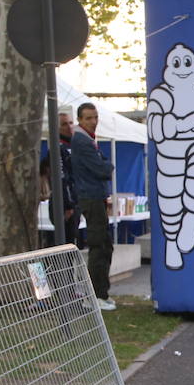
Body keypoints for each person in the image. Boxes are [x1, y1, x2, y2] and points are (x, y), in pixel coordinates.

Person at [70, 101, 116, 311]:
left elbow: (103, 164)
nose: (93, 122)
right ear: (79, 119)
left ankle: (101, 293)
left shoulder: (88, 140)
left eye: (95, 117)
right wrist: (106, 165)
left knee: (104, 244)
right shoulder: (81, 141)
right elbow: (103, 169)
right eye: (88, 118)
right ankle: (96, 295)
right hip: (91, 196)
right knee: (99, 245)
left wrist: (104, 164)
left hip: (95, 196)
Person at [54, 109, 79, 247]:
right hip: (64, 204)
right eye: (64, 124)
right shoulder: (58, 147)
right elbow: (63, 178)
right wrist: (68, 205)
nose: (69, 126)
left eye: (71, 123)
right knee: (65, 244)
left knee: (73, 240)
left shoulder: (76, 144)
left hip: (76, 200)